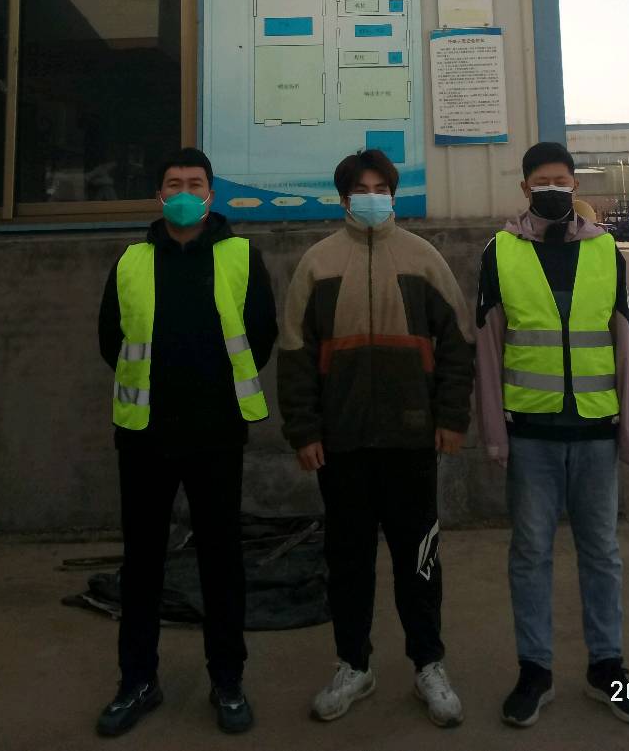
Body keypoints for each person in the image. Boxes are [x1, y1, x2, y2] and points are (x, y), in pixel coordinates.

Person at [278, 149, 474, 728]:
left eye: (380, 188)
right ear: (343, 199)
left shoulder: (424, 259)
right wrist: (304, 430)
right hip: (341, 445)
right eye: (360, 190)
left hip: (412, 440)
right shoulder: (317, 264)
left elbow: (458, 344)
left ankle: (428, 665)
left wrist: (451, 419)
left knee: (420, 562)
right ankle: (353, 665)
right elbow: (294, 354)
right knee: (348, 563)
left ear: (393, 194)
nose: (371, 197)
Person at [95, 147, 277, 738]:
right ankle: (136, 681)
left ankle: (227, 681)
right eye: (173, 183)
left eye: (194, 183)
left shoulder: (242, 256)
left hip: (216, 434)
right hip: (144, 436)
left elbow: (262, 334)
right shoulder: (131, 261)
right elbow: (110, 339)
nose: (183, 192)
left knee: (221, 563)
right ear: (159, 195)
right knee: (142, 565)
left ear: (210, 194)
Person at [476, 141, 629, 727]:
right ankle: (535, 671)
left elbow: (625, 344)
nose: (553, 189)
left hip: (596, 431)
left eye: (562, 180)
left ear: (576, 186)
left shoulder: (607, 252)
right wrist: (494, 433)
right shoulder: (498, 252)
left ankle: (607, 667)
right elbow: (487, 348)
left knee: (601, 552)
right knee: (530, 554)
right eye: (541, 181)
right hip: (531, 434)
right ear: (525, 189)